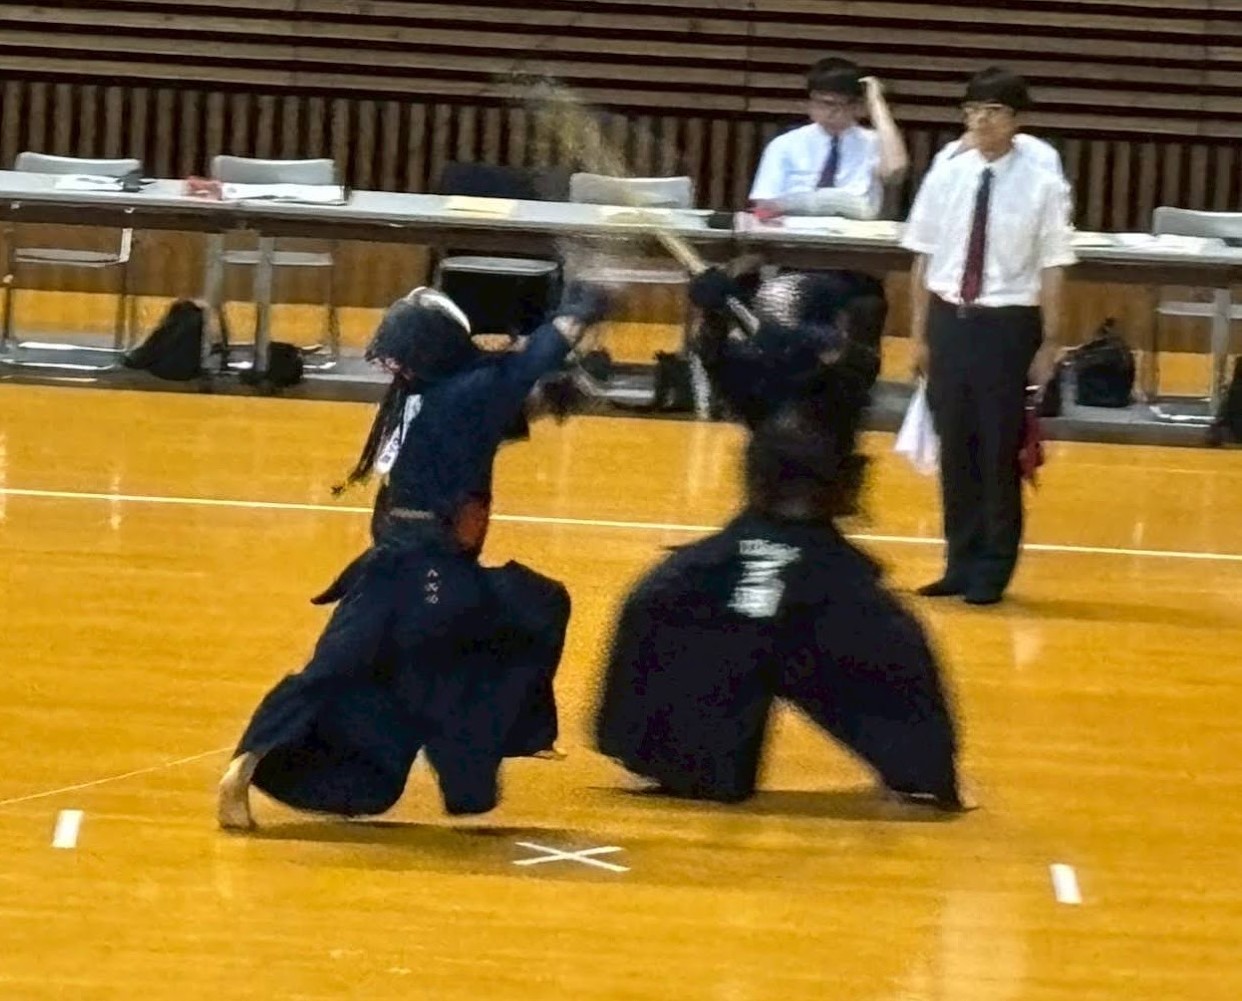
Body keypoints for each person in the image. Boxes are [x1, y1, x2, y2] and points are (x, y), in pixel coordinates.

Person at [217, 284, 612, 830]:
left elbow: (479, 426)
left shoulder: (416, 397)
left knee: (331, 672)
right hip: (431, 573)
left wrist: (551, 400)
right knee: (528, 615)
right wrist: (576, 314)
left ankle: (244, 767)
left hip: (392, 566)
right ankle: (508, 737)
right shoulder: (462, 392)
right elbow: (523, 368)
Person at [593, 267, 967, 812]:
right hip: (759, 527)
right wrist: (714, 319)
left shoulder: (845, 376)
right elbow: (721, 364)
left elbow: (840, 357)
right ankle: (682, 759)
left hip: (814, 541)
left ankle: (919, 766)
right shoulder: (766, 378)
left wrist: (775, 334)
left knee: (886, 643)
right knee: (661, 602)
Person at [902, 67, 1076, 605]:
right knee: (956, 447)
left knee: (998, 449)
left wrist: (1050, 341)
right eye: (972, 110)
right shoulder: (946, 174)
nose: (980, 121)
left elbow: (1053, 265)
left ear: (1017, 120)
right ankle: (959, 561)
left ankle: (993, 569)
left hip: (1007, 324)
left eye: (993, 111)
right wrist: (919, 335)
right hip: (950, 319)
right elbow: (922, 258)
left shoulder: (1042, 183)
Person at [749, 56, 908, 221]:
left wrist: (876, 102)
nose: (831, 112)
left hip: (854, 229)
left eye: (839, 104)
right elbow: (764, 203)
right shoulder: (784, 144)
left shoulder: (873, 142)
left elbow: (895, 171)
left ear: (856, 105)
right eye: (824, 103)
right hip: (794, 228)